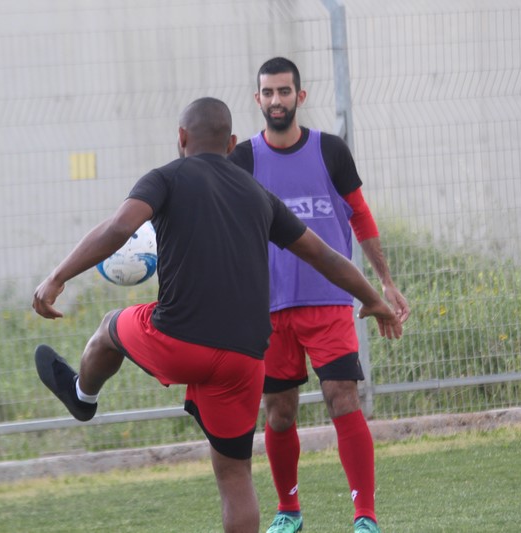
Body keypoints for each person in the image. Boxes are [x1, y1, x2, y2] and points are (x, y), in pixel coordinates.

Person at [32, 97, 402, 533]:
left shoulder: (165, 177)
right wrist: (374, 298)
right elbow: (323, 254)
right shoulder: (260, 196)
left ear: (181, 138)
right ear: (231, 143)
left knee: (109, 328)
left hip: (178, 340)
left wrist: (58, 276)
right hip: (245, 358)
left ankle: (83, 395)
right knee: (234, 475)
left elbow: (118, 229)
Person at [229, 57, 411, 533]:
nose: (276, 101)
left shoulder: (330, 151)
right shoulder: (243, 160)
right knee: (280, 413)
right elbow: (225, 225)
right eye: (267, 93)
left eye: (284, 92)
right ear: (258, 100)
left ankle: (365, 516)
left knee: (342, 399)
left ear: (300, 97)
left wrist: (385, 281)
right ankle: (289, 512)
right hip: (268, 308)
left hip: (329, 301)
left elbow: (361, 215)